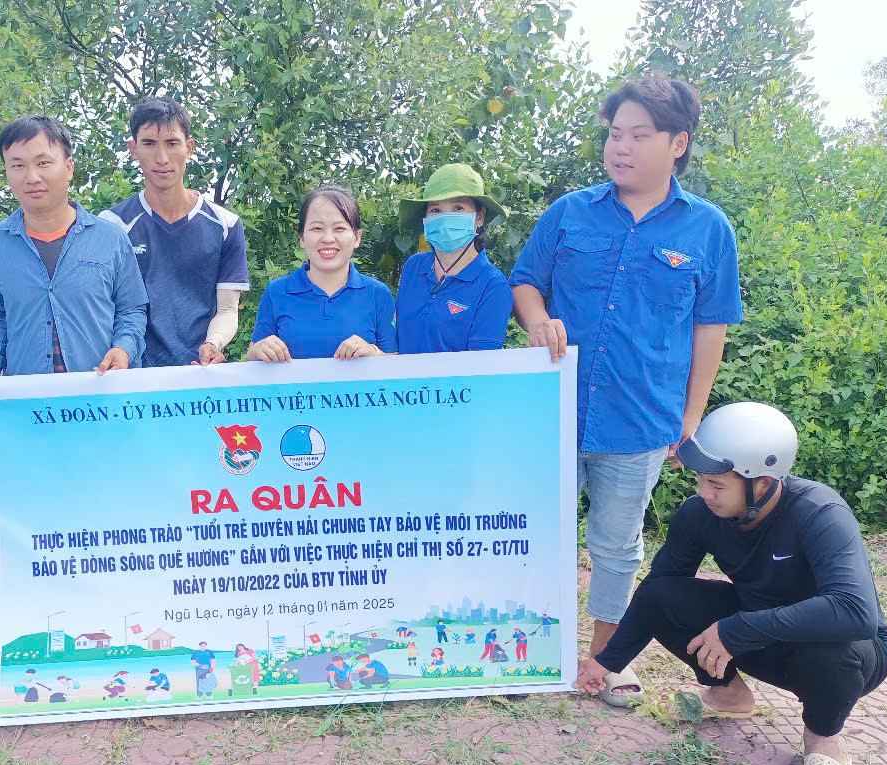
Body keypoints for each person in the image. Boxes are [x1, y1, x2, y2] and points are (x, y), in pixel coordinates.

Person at [511, 73, 743, 707]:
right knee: (536, 533)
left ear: (677, 143)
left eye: (640, 135)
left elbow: (710, 328)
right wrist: (536, 319)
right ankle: (526, 652)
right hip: (553, 413)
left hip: (641, 420)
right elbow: (526, 282)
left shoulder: (706, 229)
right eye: (616, 133)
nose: (621, 146)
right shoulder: (569, 212)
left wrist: (691, 418)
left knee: (616, 546)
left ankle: (604, 660)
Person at [575, 403, 887, 765]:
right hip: (757, 638)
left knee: (839, 650)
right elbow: (657, 595)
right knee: (662, 593)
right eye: (701, 481)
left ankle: (824, 739)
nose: (704, 494)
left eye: (717, 485)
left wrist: (736, 629)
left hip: (840, 654)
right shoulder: (698, 514)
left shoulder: (820, 513)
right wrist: (606, 661)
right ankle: (727, 693)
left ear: (761, 483)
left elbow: (857, 613)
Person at [0, 115, 148, 385]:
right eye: (17, 165)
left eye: (43, 163)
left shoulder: (111, 238)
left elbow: (131, 310)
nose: (31, 177)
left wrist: (124, 349)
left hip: (101, 394)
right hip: (27, 404)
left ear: (69, 167)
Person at [99, 96, 250, 367]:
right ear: (133, 149)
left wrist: (213, 343)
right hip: (131, 377)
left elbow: (227, 308)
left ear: (189, 147)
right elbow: (109, 310)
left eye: (171, 143)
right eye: (149, 144)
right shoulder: (111, 225)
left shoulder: (226, 224)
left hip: (200, 375)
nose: (162, 158)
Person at [248, 186, 396, 362]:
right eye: (317, 228)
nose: (328, 238)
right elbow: (252, 358)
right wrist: (259, 350)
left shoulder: (378, 294)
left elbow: (394, 362)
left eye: (339, 228)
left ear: (357, 237)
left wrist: (374, 353)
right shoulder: (277, 291)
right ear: (302, 238)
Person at [394, 163, 511, 354]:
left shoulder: (492, 286)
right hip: (402, 384)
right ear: (425, 218)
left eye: (458, 208)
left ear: (479, 217)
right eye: (435, 210)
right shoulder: (413, 267)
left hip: (455, 385)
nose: (446, 218)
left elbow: (481, 368)